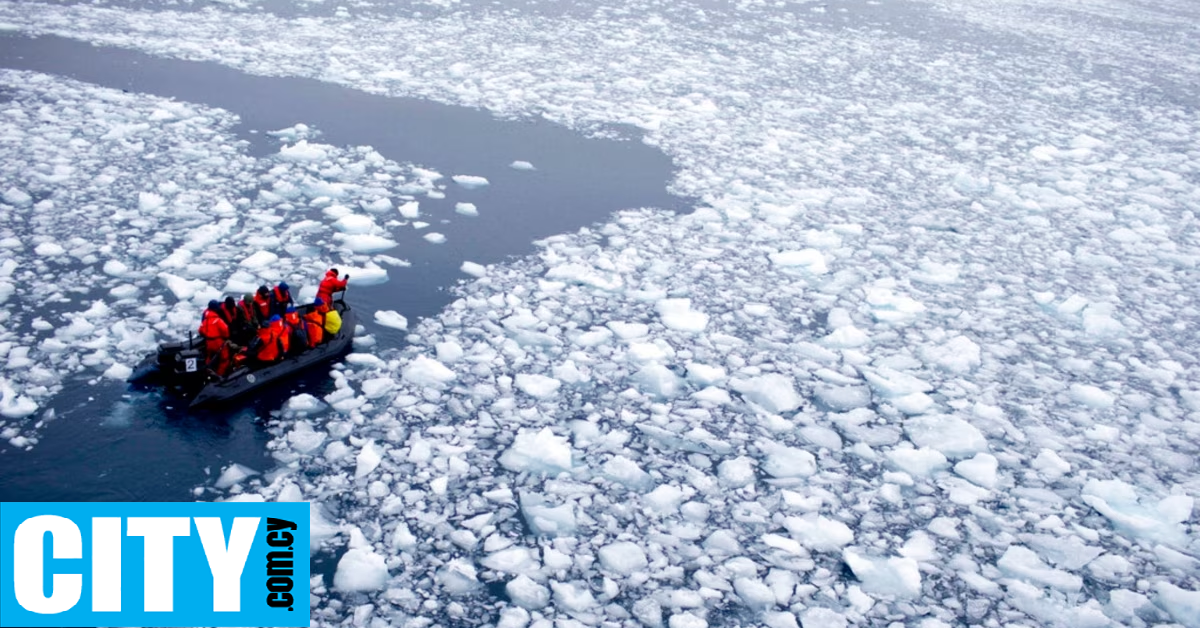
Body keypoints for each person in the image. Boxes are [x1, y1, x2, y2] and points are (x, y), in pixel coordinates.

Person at [198, 299, 233, 376]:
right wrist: (226, 337)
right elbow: (225, 329)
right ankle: (219, 375)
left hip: (208, 342)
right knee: (225, 359)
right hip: (218, 342)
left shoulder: (205, 320)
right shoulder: (218, 320)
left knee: (209, 356)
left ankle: (207, 370)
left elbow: (200, 330)